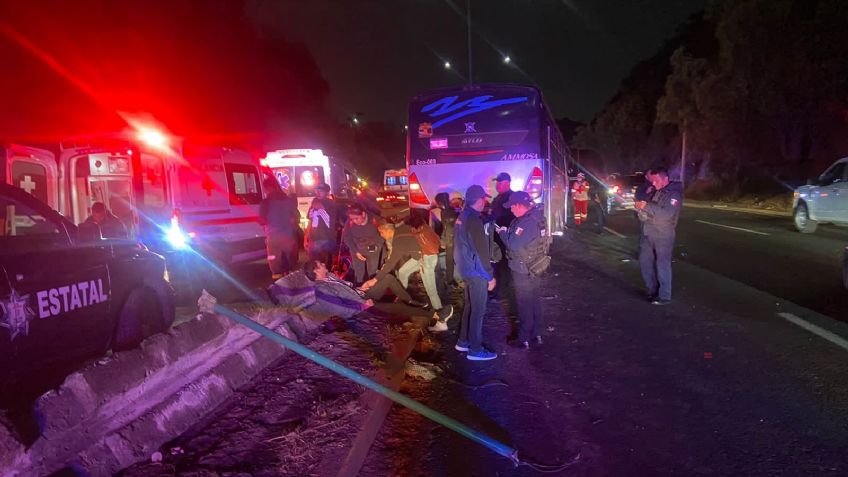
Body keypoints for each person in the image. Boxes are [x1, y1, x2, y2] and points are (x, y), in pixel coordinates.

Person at [497, 191, 546, 349]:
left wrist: (503, 233)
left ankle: (523, 338)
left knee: (524, 302)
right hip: (536, 265)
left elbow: (513, 244)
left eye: (512, 207)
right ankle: (537, 332)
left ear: (519, 205)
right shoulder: (538, 216)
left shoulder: (527, 223)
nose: (511, 210)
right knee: (534, 300)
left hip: (523, 268)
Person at [454, 185, 497, 361]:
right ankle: (475, 350)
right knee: (478, 311)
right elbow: (481, 252)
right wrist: (489, 276)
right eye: (484, 199)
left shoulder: (462, 217)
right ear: (478, 200)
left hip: (465, 269)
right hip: (477, 272)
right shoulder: (474, 221)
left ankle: (463, 342)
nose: (485, 202)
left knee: (470, 307)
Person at [634, 167, 683, 305]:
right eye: (652, 181)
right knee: (645, 262)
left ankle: (664, 295)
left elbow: (667, 214)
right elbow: (647, 208)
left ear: (665, 179)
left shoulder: (674, 194)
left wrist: (646, 206)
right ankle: (652, 290)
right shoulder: (656, 191)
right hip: (648, 232)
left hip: (663, 234)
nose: (653, 184)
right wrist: (641, 210)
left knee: (662, 264)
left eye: (656, 181)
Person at [303, 259, 422, 311]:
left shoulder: (329, 276)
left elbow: (346, 288)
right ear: (316, 271)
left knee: (388, 278)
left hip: (360, 294)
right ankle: (416, 308)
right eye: (320, 264)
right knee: (395, 308)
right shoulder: (323, 289)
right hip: (360, 303)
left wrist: (360, 288)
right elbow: (341, 305)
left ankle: (408, 301)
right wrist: (362, 306)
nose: (324, 263)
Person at [405, 213, 454, 330]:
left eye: (409, 227)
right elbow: (438, 242)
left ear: (414, 226)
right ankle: (439, 311)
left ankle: (442, 318)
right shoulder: (426, 229)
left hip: (428, 260)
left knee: (431, 290)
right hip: (432, 260)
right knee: (434, 289)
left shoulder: (420, 234)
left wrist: (422, 253)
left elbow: (428, 248)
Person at [363, 222, 428, 308]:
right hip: (418, 255)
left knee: (406, 272)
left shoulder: (398, 240)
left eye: (382, 232)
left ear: (389, 231)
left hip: (426, 256)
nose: (381, 235)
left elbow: (392, 261)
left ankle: (409, 299)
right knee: (402, 272)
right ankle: (403, 296)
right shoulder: (399, 231)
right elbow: (391, 255)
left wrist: (375, 280)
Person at [259, 177, 300, 280]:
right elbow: (297, 217)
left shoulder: (266, 202)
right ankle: (292, 283)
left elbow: (262, 221)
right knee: (290, 263)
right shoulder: (288, 200)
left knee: (274, 262)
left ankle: (279, 284)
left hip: (273, 238)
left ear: (267, 188)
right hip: (288, 237)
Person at [342, 204, 384, 285]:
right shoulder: (349, 223)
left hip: (372, 248)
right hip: (357, 249)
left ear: (363, 214)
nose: (354, 221)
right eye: (352, 219)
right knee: (359, 272)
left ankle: (372, 292)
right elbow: (347, 238)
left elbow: (383, 236)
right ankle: (359, 288)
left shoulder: (375, 220)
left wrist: (375, 247)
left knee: (372, 272)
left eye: (356, 218)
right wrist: (355, 251)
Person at [489, 172, 514, 301]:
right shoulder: (499, 197)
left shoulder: (510, 197)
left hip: (505, 239)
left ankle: (501, 292)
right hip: (497, 238)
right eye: (497, 182)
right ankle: (498, 291)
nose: (497, 185)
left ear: (508, 183)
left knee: (503, 266)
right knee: (497, 266)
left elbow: (503, 217)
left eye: (500, 182)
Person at [430, 192, 459, 286]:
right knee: (451, 259)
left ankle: (450, 279)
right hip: (455, 238)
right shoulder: (453, 210)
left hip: (450, 239)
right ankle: (450, 279)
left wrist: (443, 240)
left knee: (450, 260)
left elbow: (446, 227)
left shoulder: (444, 212)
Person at [304, 198, 337, 267]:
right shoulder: (312, 210)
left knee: (324, 262)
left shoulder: (328, 211)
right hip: (316, 239)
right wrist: (306, 238)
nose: (314, 206)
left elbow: (331, 225)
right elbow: (310, 224)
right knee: (316, 262)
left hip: (326, 240)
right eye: (313, 205)